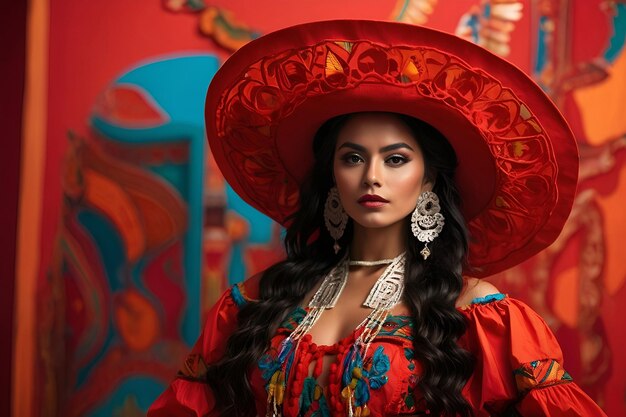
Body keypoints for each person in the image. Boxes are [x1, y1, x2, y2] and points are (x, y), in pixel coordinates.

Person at [148, 20, 608, 416]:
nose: (371, 177)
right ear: (332, 175)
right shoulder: (253, 302)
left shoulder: (477, 315)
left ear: (428, 180)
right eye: (352, 158)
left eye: (395, 159)